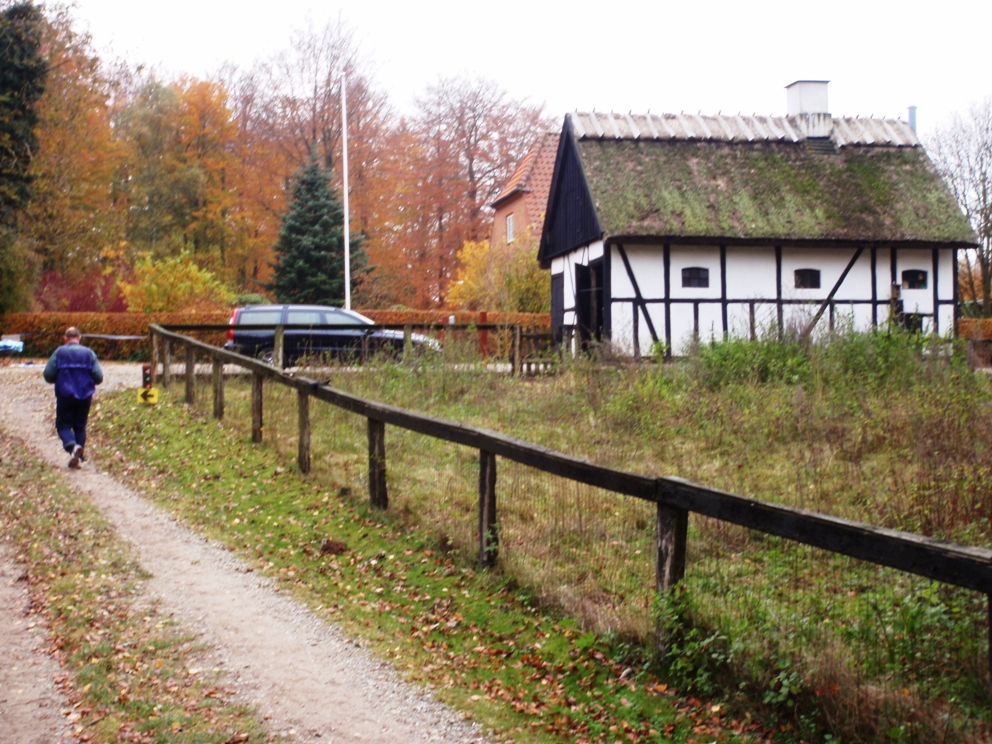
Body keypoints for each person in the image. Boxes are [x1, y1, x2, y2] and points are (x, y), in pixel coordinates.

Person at [43, 327, 103, 469]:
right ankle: (79, 459)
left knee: (63, 425)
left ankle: (73, 448)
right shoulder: (89, 353)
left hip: (65, 394)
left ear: (65, 338)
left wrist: (59, 378)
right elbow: (99, 377)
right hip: (85, 395)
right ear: (79, 337)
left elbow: (48, 374)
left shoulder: (59, 352)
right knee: (80, 427)